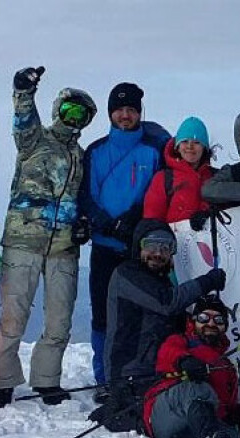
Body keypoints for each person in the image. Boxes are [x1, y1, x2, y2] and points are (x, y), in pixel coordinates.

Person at [0, 66, 98, 409]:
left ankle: (47, 381)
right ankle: (2, 383)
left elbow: (85, 198)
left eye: (81, 114)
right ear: (58, 111)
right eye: (69, 111)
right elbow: (23, 118)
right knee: (13, 317)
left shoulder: (82, 156)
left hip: (64, 248)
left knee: (59, 319)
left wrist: (84, 223)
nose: (74, 118)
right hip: (23, 242)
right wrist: (23, 89)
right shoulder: (35, 140)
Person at [88, 220, 227, 433]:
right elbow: (167, 302)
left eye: (166, 248)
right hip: (133, 375)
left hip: (158, 371)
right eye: (151, 246)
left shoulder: (161, 280)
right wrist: (207, 282)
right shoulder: (127, 274)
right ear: (138, 247)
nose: (158, 253)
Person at [79, 82, 171, 395]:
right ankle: (105, 379)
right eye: (119, 110)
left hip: (139, 248)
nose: (125, 115)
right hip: (105, 247)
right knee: (103, 315)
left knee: (140, 314)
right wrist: (107, 225)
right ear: (110, 113)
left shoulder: (153, 150)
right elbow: (86, 197)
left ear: (139, 113)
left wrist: (131, 220)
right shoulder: (96, 151)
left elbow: (156, 191)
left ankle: (138, 374)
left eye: (131, 109)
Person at [136, 297, 240, 438]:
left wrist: (238, 414)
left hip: (195, 428)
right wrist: (184, 361)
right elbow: (168, 354)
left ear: (224, 327)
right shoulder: (181, 341)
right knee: (199, 389)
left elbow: (221, 407)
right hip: (168, 412)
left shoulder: (226, 366)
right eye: (204, 318)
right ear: (193, 321)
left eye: (218, 320)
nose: (210, 323)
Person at [142, 116, 217, 227]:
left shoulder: (216, 177)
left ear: (204, 147)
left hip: (212, 242)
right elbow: (152, 220)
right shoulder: (164, 178)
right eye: (185, 141)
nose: (190, 146)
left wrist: (208, 213)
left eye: (196, 142)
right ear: (177, 146)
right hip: (174, 242)